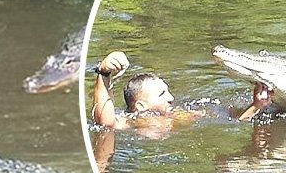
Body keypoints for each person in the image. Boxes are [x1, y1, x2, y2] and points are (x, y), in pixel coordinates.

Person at [92, 51, 273, 131]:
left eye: (168, 91)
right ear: (140, 105)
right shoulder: (136, 121)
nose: (171, 97)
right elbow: (106, 123)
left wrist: (257, 105)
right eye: (162, 94)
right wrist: (104, 72)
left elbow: (235, 121)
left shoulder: (181, 114)